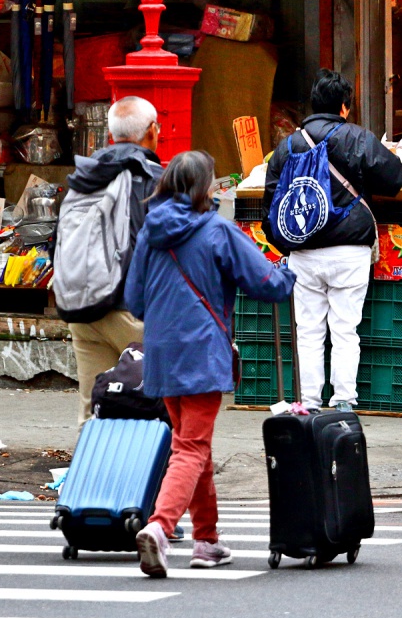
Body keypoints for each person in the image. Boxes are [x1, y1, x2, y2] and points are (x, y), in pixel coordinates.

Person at [125, 151, 296, 577]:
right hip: (201, 352)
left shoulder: (151, 231)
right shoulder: (217, 230)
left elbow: (134, 300)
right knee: (191, 447)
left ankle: (207, 540)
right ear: (207, 188)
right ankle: (161, 528)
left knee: (190, 443)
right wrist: (290, 272)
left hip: (162, 354)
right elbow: (266, 283)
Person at [261, 69, 402, 413]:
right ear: (344, 106)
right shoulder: (357, 137)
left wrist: (289, 247)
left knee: (308, 331)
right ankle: (343, 400)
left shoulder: (288, 145)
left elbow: (269, 205)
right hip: (348, 251)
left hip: (304, 254)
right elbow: (394, 178)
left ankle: (308, 400)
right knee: (345, 329)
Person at [60, 96, 165, 426]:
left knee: (94, 409)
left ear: (111, 135)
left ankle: (93, 475)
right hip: (130, 312)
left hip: (83, 309)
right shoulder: (152, 178)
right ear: (151, 131)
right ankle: (156, 476)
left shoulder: (84, 177)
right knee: (160, 404)